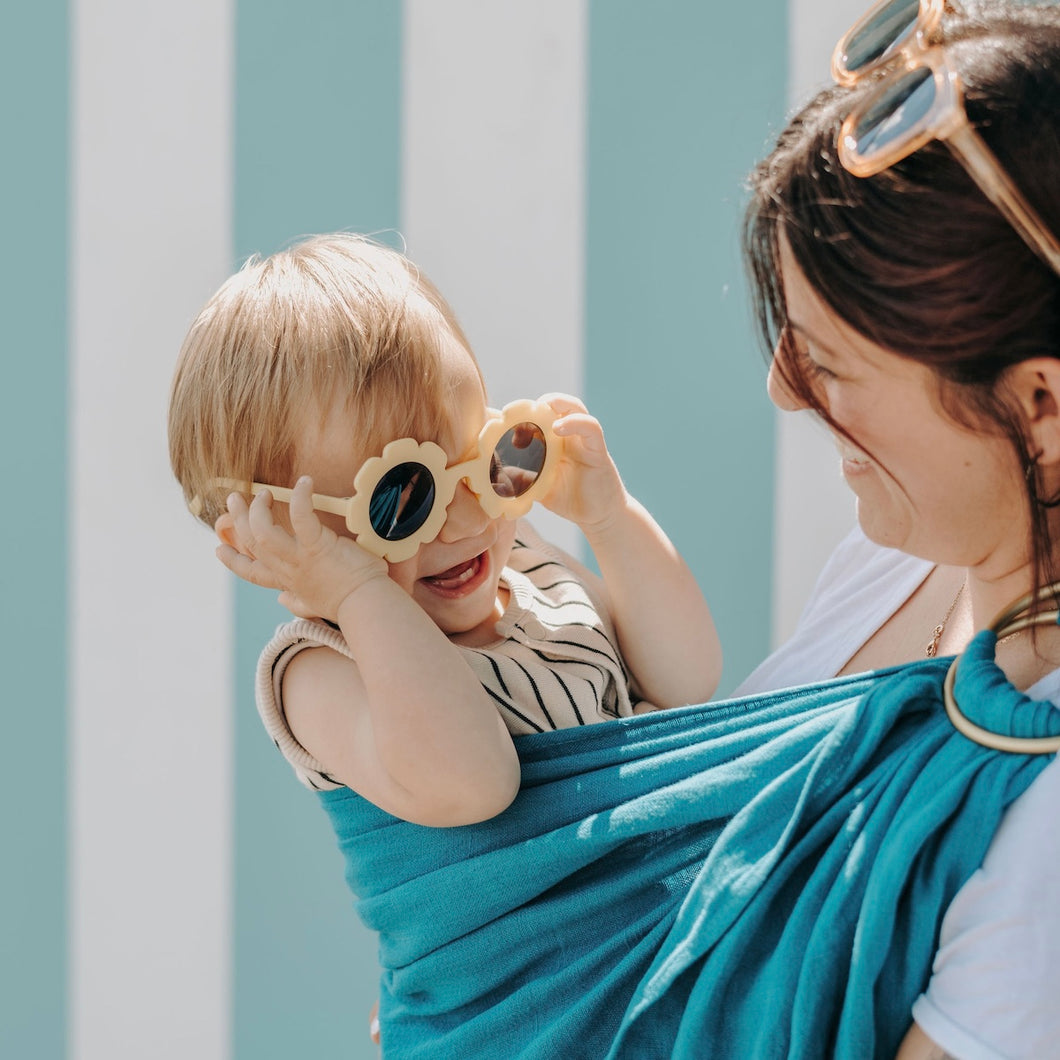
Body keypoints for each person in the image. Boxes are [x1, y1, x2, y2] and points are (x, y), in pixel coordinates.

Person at [738, 0, 1060, 1056]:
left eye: (832, 362)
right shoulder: (901, 561)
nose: (786, 389)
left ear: (1039, 408)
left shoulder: (1041, 820)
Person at [168, 232, 721, 828]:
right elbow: (472, 784)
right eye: (402, 498)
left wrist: (611, 518)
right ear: (266, 533)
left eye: (485, 460)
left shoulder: (532, 569)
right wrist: (359, 593)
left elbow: (686, 683)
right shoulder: (317, 670)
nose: (468, 518)